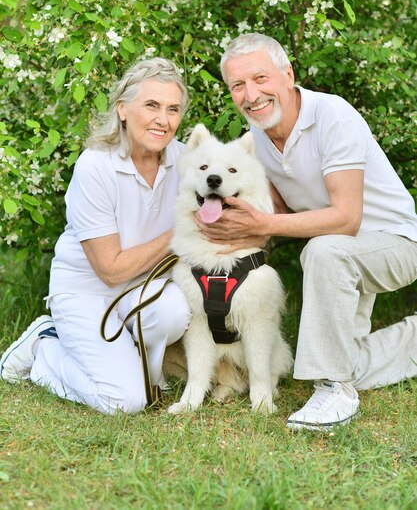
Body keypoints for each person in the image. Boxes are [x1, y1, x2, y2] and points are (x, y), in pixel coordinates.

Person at [197, 32, 417, 431]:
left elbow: (346, 218)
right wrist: (231, 228)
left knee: (322, 251)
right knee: (353, 362)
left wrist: (264, 225)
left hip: (396, 243)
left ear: (287, 74)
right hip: (342, 253)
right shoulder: (259, 136)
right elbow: (276, 215)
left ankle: (334, 390)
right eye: (238, 86)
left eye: (261, 78)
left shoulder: (332, 116)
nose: (251, 94)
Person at [0, 57, 191, 414]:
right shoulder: (95, 165)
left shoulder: (186, 160)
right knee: (124, 402)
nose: (163, 120)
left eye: (173, 109)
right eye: (151, 105)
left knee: (174, 312)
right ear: (122, 109)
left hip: (143, 288)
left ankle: (137, 371)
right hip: (88, 290)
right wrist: (182, 231)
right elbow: (110, 270)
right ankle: (45, 347)